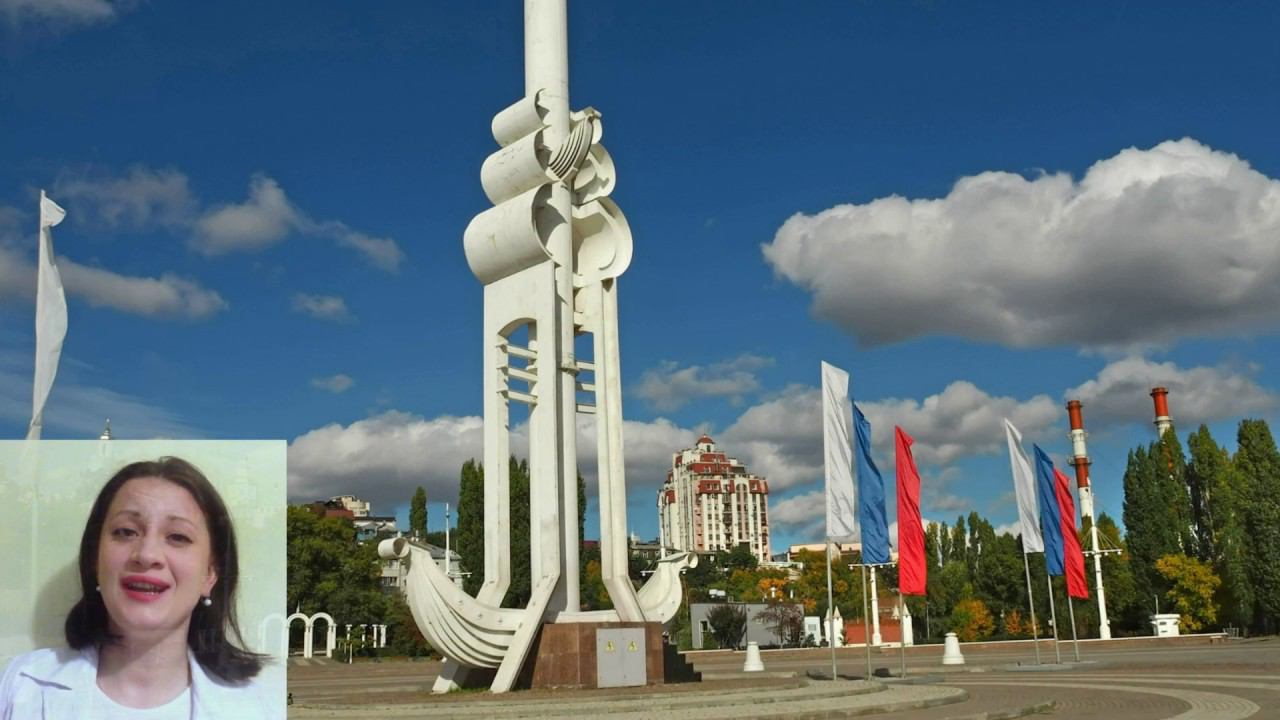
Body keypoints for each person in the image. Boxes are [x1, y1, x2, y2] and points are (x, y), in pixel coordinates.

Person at [0, 457, 282, 719]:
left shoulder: (262, 707)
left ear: (210, 574)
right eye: (125, 532)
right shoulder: (20, 688)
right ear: (95, 560)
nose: (147, 554)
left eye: (177, 537)